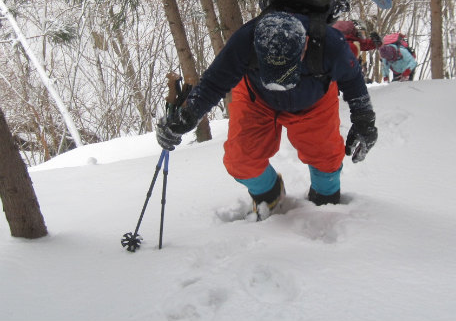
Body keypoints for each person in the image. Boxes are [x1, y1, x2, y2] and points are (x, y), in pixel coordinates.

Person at [155, 11, 378, 220]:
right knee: (241, 159)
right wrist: (187, 116)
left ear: (304, 47)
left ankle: (325, 205)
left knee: (326, 159)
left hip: (314, 100)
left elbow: (352, 79)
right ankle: (269, 195)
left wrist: (364, 119)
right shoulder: (244, 40)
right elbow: (214, 83)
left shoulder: (330, 43)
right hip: (256, 98)